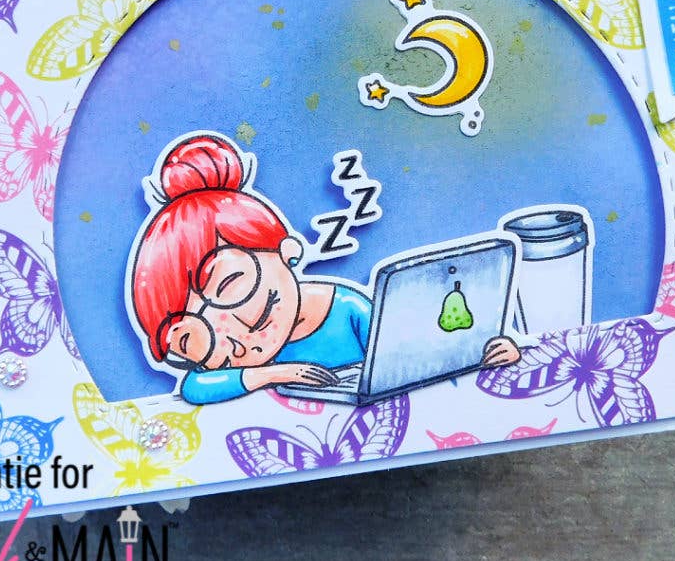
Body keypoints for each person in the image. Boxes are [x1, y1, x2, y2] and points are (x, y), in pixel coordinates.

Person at [128, 133, 520, 404]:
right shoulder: (248, 366)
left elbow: (411, 357)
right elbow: (195, 387)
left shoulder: (346, 308)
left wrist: (478, 356)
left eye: (228, 283)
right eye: (189, 339)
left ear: (286, 250)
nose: (231, 333)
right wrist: (271, 374)